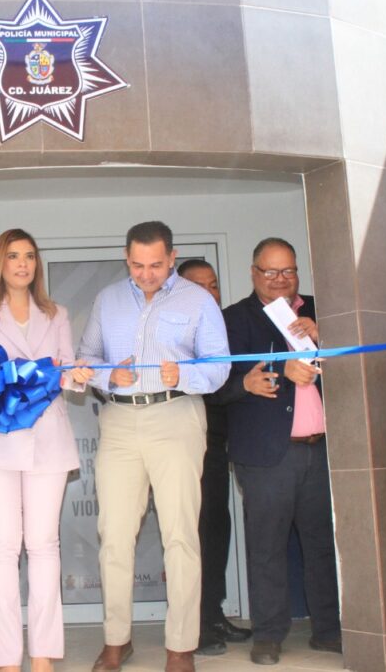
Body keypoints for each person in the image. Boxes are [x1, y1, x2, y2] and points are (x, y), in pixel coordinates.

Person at [78, 222, 230, 672]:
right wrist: (108, 375)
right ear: (127, 258)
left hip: (176, 415)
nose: (146, 274)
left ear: (172, 257)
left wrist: (184, 374)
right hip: (120, 420)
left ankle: (181, 646)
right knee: (113, 534)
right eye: (137, 265)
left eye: (156, 265)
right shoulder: (107, 299)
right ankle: (116, 639)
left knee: (181, 535)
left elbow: (220, 366)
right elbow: (86, 357)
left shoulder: (198, 300)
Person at [0, 229, 93, 672]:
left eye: (30, 256)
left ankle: (43, 655)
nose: (23, 264)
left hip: (47, 439)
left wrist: (77, 376)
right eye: (14, 256)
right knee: (1, 546)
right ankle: (5, 659)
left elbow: (67, 372)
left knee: (43, 544)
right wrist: (34, 374)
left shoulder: (57, 313)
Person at [215, 237, 340, 666]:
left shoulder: (323, 311)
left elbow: (357, 361)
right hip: (266, 454)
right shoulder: (234, 319)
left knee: (322, 545)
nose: (280, 279)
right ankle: (268, 635)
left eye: (288, 271)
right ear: (253, 273)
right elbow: (214, 384)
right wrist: (249, 382)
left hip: (321, 450)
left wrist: (325, 334)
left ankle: (329, 630)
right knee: (266, 547)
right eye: (270, 272)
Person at [176, 259, 252, 656]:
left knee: (217, 530)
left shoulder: (222, 328)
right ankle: (196, 626)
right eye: (199, 286)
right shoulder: (176, 333)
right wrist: (242, 386)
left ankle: (213, 613)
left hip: (218, 446)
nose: (210, 293)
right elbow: (213, 389)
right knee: (195, 534)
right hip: (184, 445)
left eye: (214, 284)